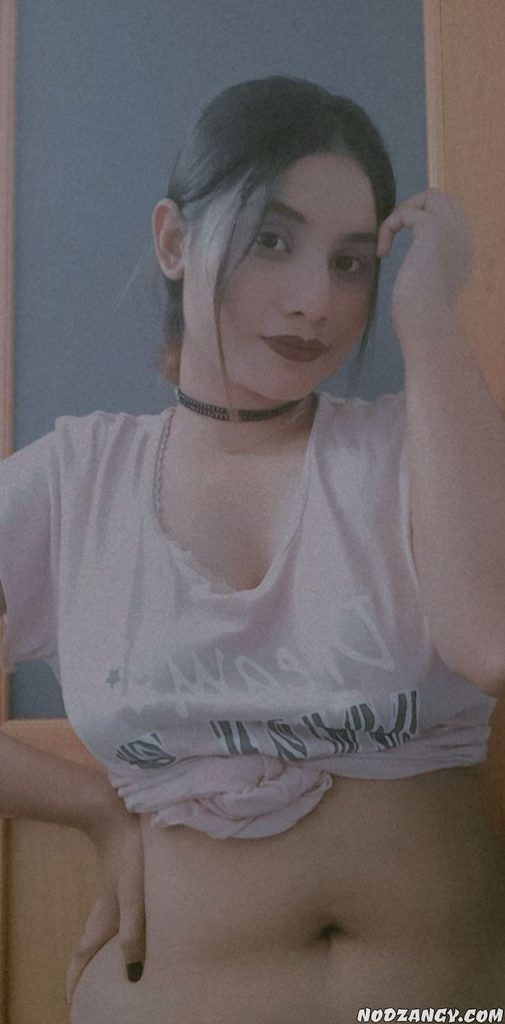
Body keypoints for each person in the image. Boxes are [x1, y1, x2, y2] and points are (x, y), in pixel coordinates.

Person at [1, 75, 504, 1022]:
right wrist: (92, 807)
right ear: (174, 242)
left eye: (351, 262)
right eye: (271, 240)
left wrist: (430, 313)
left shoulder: (422, 445)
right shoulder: (75, 481)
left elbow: (490, 641)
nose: (316, 300)